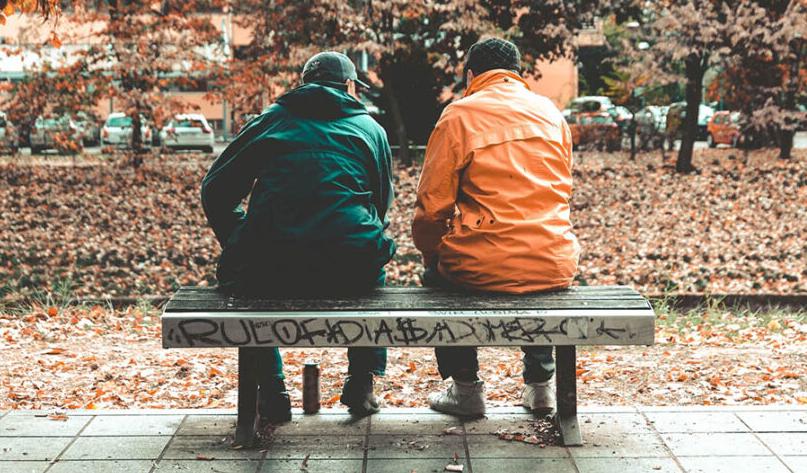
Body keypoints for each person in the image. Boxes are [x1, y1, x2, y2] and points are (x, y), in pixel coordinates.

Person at [201, 51, 395, 421]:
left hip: (271, 264)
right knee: (372, 265)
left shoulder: (271, 121)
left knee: (248, 281)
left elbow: (216, 190)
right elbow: (381, 202)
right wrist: (352, 231)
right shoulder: (372, 129)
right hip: (350, 265)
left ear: (304, 84)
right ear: (350, 87)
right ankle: (362, 382)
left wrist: (241, 237)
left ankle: (272, 390)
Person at [412, 37, 580, 417]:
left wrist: (431, 254)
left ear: (471, 74)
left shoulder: (458, 115)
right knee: (534, 279)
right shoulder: (551, 113)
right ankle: (540, 388)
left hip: (478, 264)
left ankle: (466, 388)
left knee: (438, 277)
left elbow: (430, 209)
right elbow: (562, 185)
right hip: (551, 258)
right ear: (518, 74)